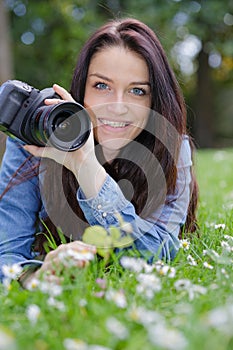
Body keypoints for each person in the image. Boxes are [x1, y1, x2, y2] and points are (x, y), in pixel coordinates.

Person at [0, 17, 198, 285]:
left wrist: (86, 167)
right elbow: (8, 258)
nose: (117, 107)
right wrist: (39, 277)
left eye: (137, 91)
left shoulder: (172, 147)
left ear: (155, 101)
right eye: (102, 86)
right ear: (81, 89)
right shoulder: (38, 133)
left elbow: (158, 256)